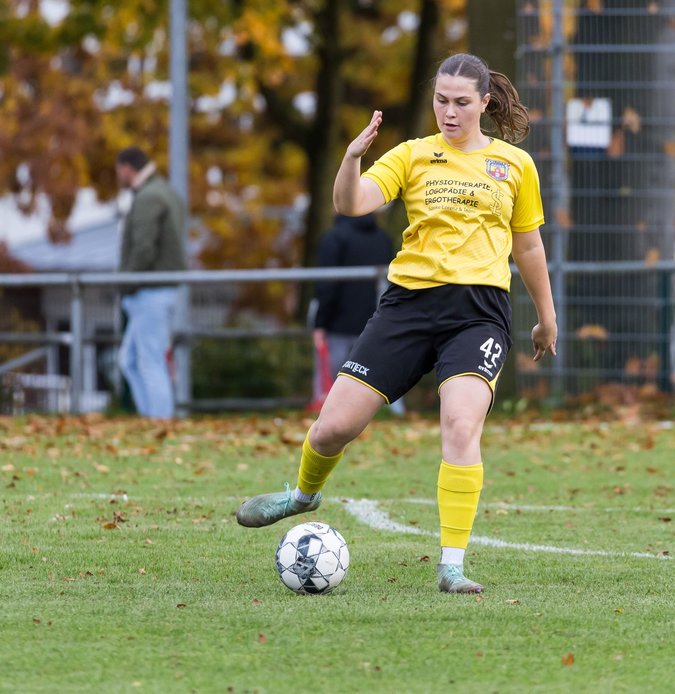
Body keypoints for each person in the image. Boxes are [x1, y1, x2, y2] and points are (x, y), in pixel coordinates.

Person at [237, 53, 558, 594]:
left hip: (478, 315)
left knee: (460, 423)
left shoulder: (514, 165)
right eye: (441, 100)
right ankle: (302, 496)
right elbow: (351, 203)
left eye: (460, 102)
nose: (449, 112)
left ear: (484, 102)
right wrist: (350, 159)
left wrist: (547, 320)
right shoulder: (412, 155)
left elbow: (527, 244)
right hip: (407, 308)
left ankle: (451, 565)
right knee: (334, 427)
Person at [115, 146, 186, 419]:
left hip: (150, 290)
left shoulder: (148, 197)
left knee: (150, 360)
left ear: (126, 168)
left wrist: (126, 283)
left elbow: (143, 248)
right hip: (157, 289)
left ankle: (160, 422)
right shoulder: (166, 192)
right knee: (129, 360)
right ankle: (152, 419)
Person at [309, 213, 401, 415]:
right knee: (371, 374)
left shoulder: (334, 238)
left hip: (337, 324)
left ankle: (328, 414)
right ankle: (387, 412)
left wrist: (320, 323)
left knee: (332, 378)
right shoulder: (383, 239)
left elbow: (327, 283)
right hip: (374, 322)